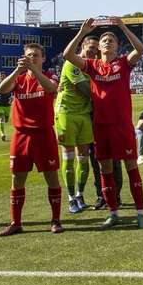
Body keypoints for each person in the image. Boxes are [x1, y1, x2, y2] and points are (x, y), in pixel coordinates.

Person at [62, 17, 143, 230]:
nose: (108, 42)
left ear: (118, 46)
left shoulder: (123, 63)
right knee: (105, 170)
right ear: (99, 47)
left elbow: (140, 48)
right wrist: (83, 32)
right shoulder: (91, 66)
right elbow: (67, 55)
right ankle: (113, 213)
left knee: (131, 168)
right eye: (104, 40)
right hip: (101, 126)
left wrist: (122, 27)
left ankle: (140, 213)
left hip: (121, 126)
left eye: (112, 40)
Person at [0, 43, 63, 236]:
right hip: (21, 134)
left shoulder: (49, 76)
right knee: (17, 178)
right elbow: (2, 89)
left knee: (51, 176)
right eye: (28, 55)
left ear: (43, 58)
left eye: (36, 55)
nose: (32, 58)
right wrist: (18, 70)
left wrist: (33, 70)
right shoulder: (19, 78)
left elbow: (51, 89)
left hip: (43, 133)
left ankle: (55, 220)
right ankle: (16, 222)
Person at [55, 35, 98, 214]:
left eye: (96, 50)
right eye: (90, 48)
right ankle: (71, 198)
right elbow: (85, 89)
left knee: (84, 157)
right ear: (82, 46)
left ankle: (80, 195)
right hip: (67, 113)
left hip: (84, 114)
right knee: (69, 157)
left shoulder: (92, 66)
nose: (93, 52)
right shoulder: (72, 63)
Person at [0, 71, 12, 141]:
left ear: (5, 77)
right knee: (1, 119)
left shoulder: (9, 84)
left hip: (7, 104)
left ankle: (5, 119)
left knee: (6, 120)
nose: (2, 77)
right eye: (1, 76)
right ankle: (2, 134)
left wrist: (13, 98)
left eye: (3, 76)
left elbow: (14, 92)